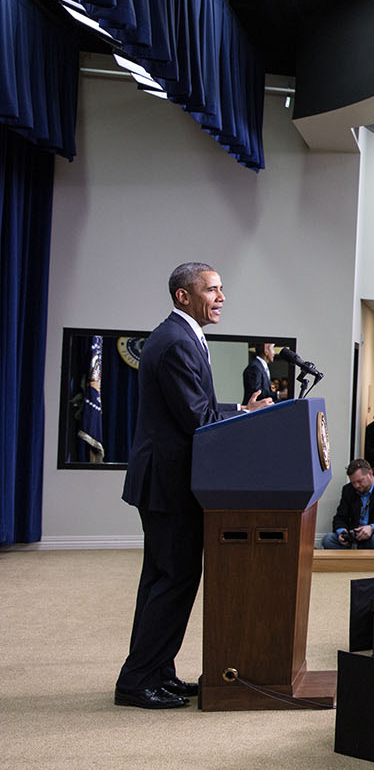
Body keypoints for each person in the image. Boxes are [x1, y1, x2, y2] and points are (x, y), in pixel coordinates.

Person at [116, 262, 272, 709]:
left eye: (222, 289)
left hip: (168, 480)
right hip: (169, 483)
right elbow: (198, 420)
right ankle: (137, 680)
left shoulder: (180, 337)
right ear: (184, 296)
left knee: (163, 579)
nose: (221, 297)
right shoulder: (176, 343)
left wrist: (238, 408)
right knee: (173, 579)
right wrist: (241, 416)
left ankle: (155, 671)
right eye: (212, 290)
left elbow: (195, 408)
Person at [320, 459, 374, 550]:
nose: (356, 486)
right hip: (355, 536)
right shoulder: (348, 490)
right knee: (328, 539)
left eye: (360, 481)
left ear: (370, 473)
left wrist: (372, 528)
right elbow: (340, 517)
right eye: (353, 483)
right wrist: (341, 532)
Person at [242, 341, 274, 405]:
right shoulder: (255, 367)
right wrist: (279, 394)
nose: (274, 353)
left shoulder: (261, 367)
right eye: (272, 348)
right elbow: (257, 393)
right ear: (266, 349)